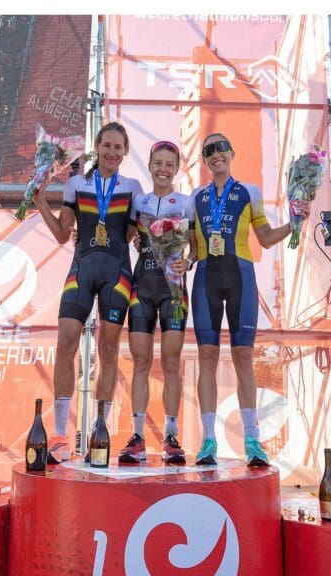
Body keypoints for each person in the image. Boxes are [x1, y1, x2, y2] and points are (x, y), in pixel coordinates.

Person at [33, 122, 143, 463]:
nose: (112, 152)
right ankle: (61, 437)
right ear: (97, 147)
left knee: (107, 348)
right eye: (106, 145)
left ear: (125, 153)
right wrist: (38, 199)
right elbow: (62, 234)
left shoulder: (133, 186)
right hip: (81, 269)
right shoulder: (76, 183)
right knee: (66, 339)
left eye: (118, 147)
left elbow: (134, 233)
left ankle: (99, 432)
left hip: (117, 272)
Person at [190, 132, 293, 467]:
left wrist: (296, 223)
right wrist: (174, 255)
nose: (216, 154)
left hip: (240, 278)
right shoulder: (196, 197)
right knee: (206, 354)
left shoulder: (249, 192)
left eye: (222, 147)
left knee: (244, 355)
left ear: (232, 152)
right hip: (206, 276)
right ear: (204, 161)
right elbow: (192, 247)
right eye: (209, 151)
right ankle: (208, 440)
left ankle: (252, 439)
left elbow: (264, 238)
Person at [117, 141, 194, 465]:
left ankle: (171, 438)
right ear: (149, 165)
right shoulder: (139, 201)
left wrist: (188, 262)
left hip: (173, 290)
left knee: (173, 362)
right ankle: (136, 437)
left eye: (169, 164)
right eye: (158, 163)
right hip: (142, 288)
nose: (163, 169)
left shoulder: (187, 203)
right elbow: (125, 235)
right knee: (141, 362)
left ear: (177, 169)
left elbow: (196, 245)